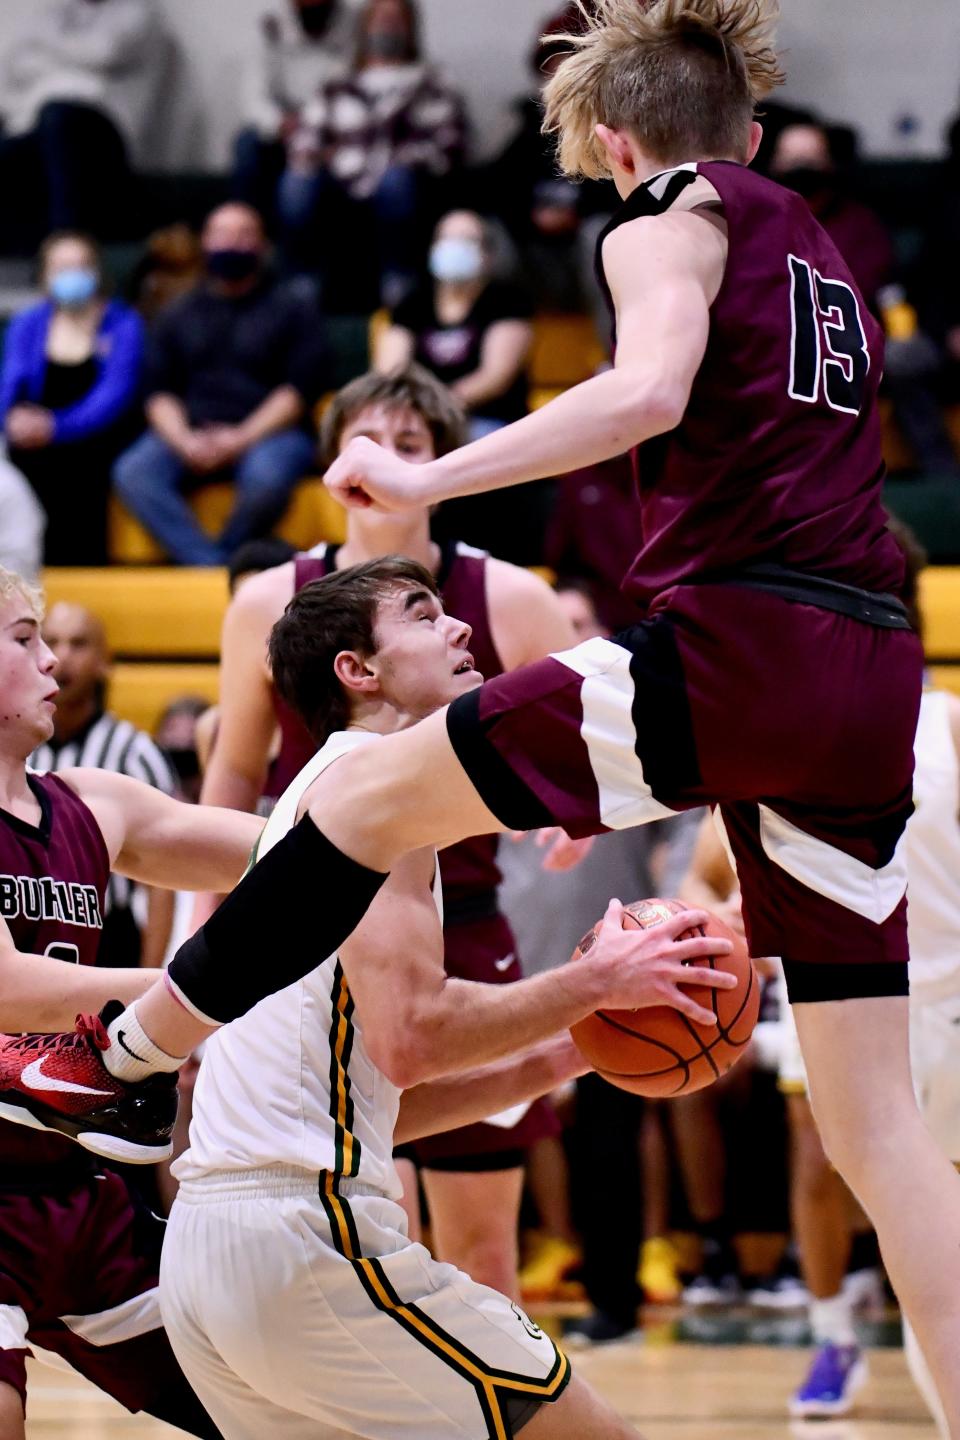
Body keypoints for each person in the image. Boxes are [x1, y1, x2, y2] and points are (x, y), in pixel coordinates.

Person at [12, 2, 960, 1428]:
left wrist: (426, 487)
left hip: (746, 631)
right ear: (752, 134)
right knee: (886, 1139)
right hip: (878, 662)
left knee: (340, 803)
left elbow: (645, 389)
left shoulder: (659, 216)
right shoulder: (817, 243)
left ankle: (129, 1058)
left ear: (622, 142)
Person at [159, 554, 733, 1440]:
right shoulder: (370, 797)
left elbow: (384, 1107)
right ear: (359, 671)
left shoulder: (316, 796)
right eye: (424, 616)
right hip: (306, 1241)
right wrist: (595, 981)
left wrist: (577, 1043)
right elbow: (417, 1037)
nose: (462, 625)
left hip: (211, 1258)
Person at [198, 365, 576, 1300]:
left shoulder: (513, 598)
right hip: (307, 924)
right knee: (362, 1232)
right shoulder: (269, 601)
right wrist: (202, 942)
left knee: (485, 1253)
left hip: (464, 915)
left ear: (443, 465)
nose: (387, 464)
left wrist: (579, 818)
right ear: (332, 464)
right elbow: (233, 775)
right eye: (368, 443)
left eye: (411, 447)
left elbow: (582, 753)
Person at [0, 565, 265, 1440]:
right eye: (23, 639)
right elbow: (11, 988)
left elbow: (285, 855)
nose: (54, 664)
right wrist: (206, 986)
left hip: (78, 1194)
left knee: (273, 1405)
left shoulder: (89, 802)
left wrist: (411, 795)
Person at [113, 203, 327, 567]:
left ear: (262, 245)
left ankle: (224, 556)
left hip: (270, 434)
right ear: (206, 243)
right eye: (223, 234)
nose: (233, 244)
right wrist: (184, 440)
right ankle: (211, 566)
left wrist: (240, 438)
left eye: (244, 235)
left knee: (267, 476)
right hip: (191, 431)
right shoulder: (177, 312)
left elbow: (297, 392)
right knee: (134, 471)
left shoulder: (294, 309)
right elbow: (158, 392)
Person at [279, 0, 467, 307]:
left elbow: (449, 145)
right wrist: (315, 157)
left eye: (396, 18)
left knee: (396, 181)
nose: (387, 25)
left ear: (410, 28)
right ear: (364, 27)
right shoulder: (337, 82)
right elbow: (306, 136)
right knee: (296, 181)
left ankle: (399, 281)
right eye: (379, 18)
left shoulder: (432, 82)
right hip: (339, 185)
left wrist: (400, 159)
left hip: (402, 186)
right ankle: (302, 284)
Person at [29, 601, 177, 971]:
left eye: (78, 644)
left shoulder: (136, 752)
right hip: (27, 927)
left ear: (104, 660)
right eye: (52, 641)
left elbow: (161, 885)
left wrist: (148, 981)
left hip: (110, 933)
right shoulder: (17, 749)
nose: (63, 656)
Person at [0, 231, 145, 565]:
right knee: (21, 467)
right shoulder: (29, 322)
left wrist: (56, 427)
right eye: (62, 267)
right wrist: (12, 420)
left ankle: (85, 570)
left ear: (97, 273)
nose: (72, 274)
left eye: (81, 266)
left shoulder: (122, 323)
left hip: (97, 438)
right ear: (45, 275)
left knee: (82, 469)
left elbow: (112, 397)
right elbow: (11, 382)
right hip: (36, 435)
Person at [0, 0, 166, 245]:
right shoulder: (54, 14)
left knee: (60, 116)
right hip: (39, 129)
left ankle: (67, 246)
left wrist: (46, 48)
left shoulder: (137, 14)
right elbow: (16, 65)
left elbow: (106, 51)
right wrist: (72, 56)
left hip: (102, 136)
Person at [234, 0, 363, 224]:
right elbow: (254, 99)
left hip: (337, 131)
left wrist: (323, 127)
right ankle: (249, 230)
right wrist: (280, 123)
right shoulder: (271, 27)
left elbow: (358, 87)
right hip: (284, 130)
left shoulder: (357, 25)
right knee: (247, 142)